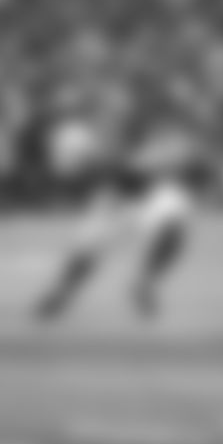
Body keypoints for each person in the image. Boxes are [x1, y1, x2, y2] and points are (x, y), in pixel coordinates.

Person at [33, 118, 209, 321]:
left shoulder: (161, 136)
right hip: (114, 201)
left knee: (175, 222)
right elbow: (75, 173)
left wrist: (162, 163)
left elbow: (191, 167)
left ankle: (146, 281)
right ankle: (61, 293)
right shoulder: (93, 139)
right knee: (87, 250)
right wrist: (111, 163)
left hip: (150, 196)